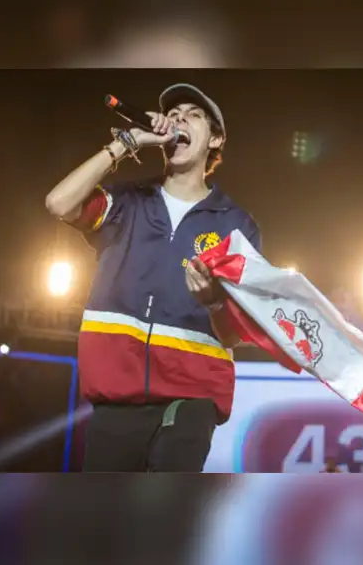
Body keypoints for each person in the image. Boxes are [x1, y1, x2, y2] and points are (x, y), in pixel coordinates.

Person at [45, 83, 261, 472]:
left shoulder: (236, 225)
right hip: (118, 394)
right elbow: (58, 203)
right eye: (173, 114)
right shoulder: (127, 202)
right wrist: (126, 143)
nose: (178, 120)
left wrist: (213, 300)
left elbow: (236, 335)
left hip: (193, 394)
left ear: (215, 138)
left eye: (192, 115)